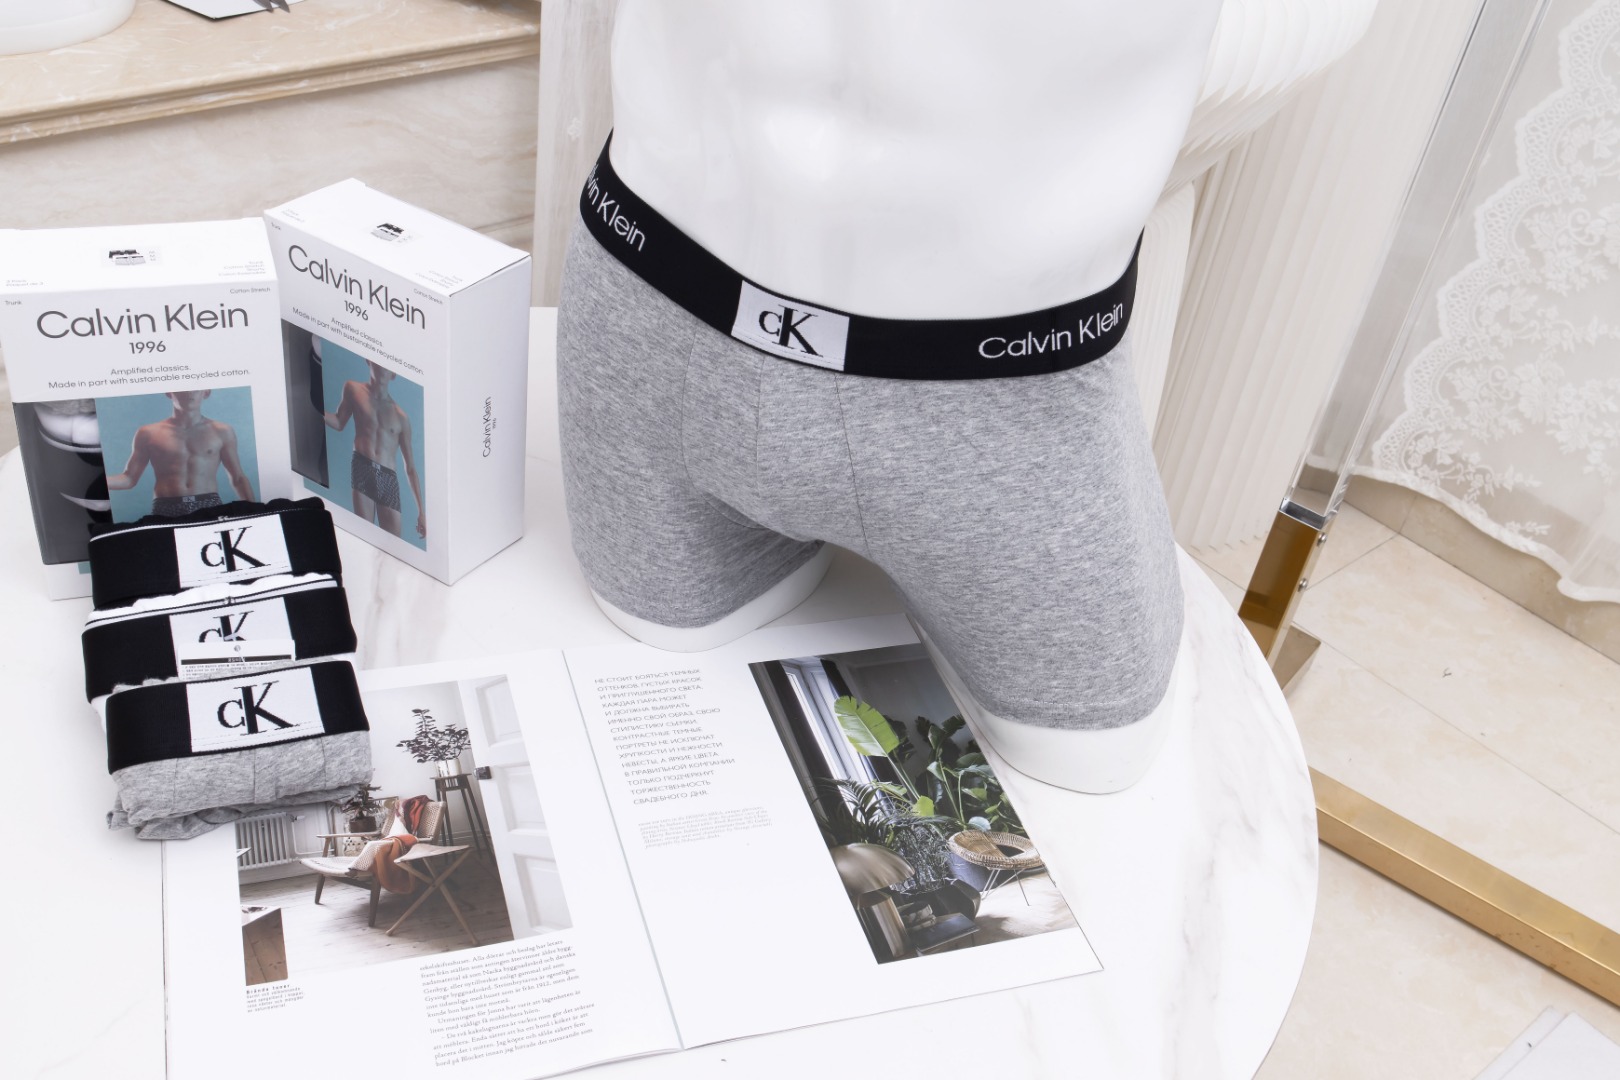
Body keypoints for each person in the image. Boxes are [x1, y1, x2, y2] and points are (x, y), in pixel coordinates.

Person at [105, 389, 254, 517]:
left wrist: (255, 512)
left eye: (194, 388)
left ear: (206, 392)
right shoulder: (148, 433)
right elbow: (129, 478)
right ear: (168, 392)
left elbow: (238, 478)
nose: (188, 393)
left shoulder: (221, 431)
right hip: (166, 506)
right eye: (182, 388)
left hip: (209, 504)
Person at [324, 361, 425, 540]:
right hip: (362, 467)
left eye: (388, 366)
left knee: (393, 543)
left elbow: (410, 467)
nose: (383, 368)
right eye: (379, 363)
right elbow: (339, 422)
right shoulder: (353, 389)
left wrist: (421, 512)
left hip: (388, 478)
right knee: (364, 536)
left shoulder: (401, 417)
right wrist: (313, 408)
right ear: (369, 361)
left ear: (394, 374)